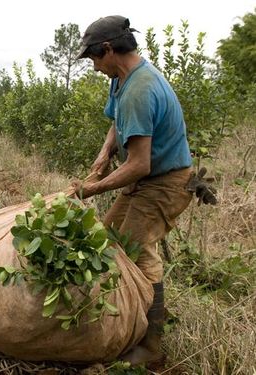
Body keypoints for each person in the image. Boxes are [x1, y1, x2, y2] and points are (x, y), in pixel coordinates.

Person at [69, 15, 196, 368]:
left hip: (165, 181)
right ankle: (117, 322)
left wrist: (91, 189)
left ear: (109, 50)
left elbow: (139, 164)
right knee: (108, 239)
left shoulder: (141, 89)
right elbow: (116, 123)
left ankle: (151, 346)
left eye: (94, 58)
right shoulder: (121, 78)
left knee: (136, 252)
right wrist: (104, 153)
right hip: (145, 179)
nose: (93, 67)